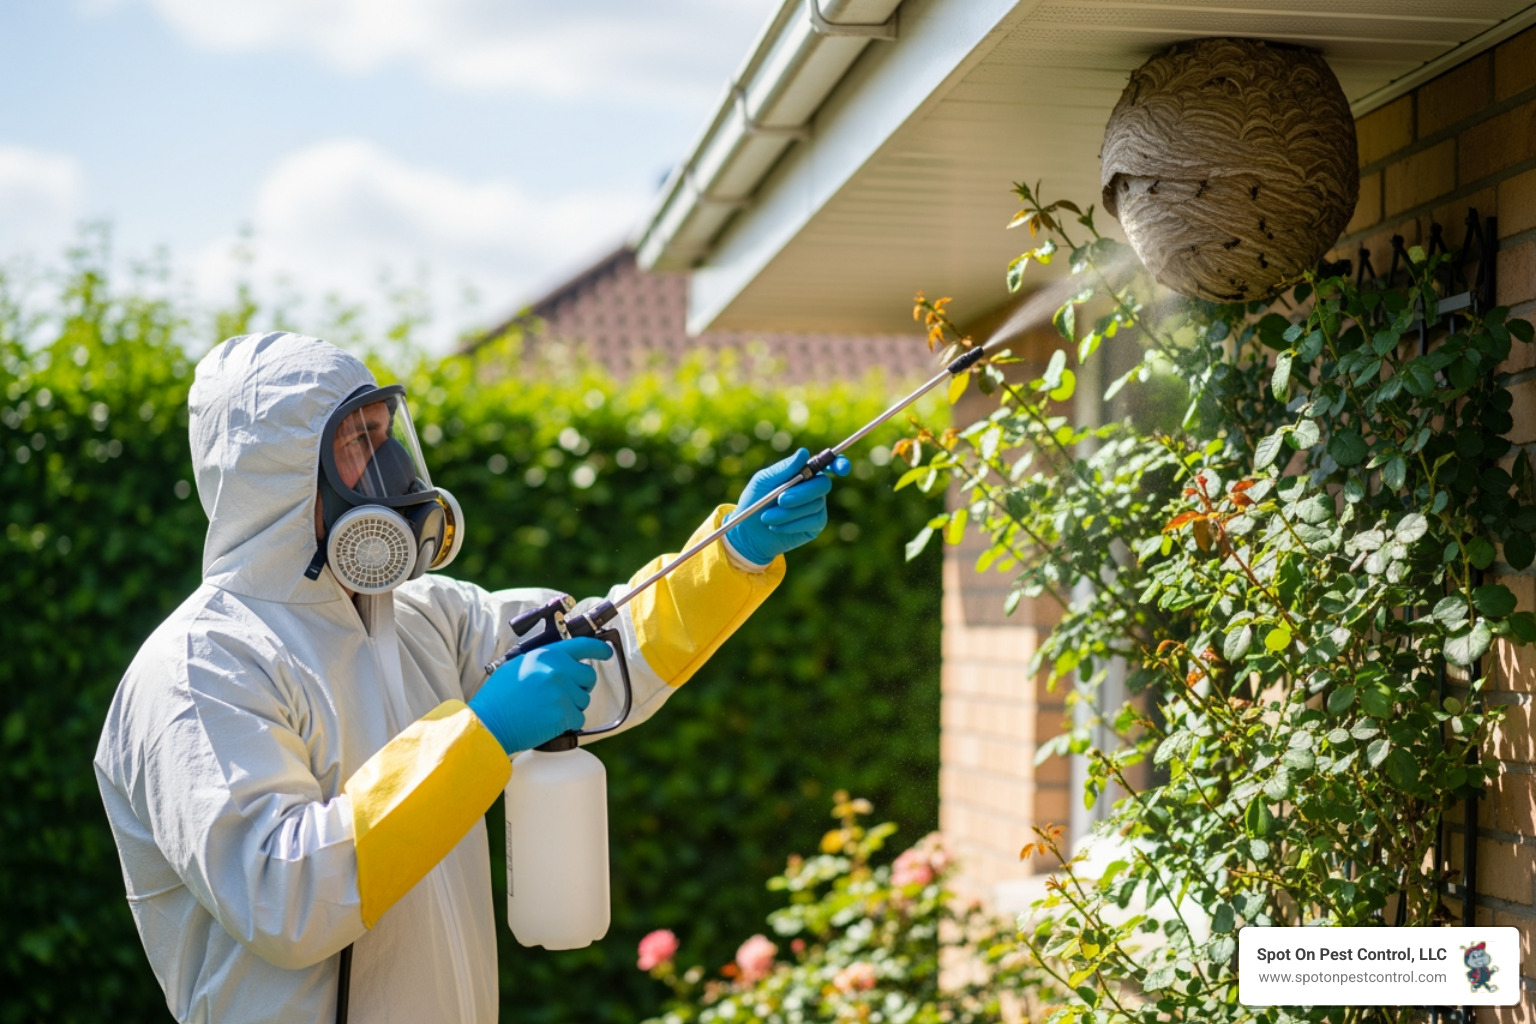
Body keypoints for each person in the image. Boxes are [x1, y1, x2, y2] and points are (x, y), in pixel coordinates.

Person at [94, 332, 849, 1023]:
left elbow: (600, 653)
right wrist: (479, 735)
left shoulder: (424, 616)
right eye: (359, 444)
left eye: (387, 435)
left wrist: (732, 553)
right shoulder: (202, 668)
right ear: (280, 478)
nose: (390, 470)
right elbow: (284, 895)